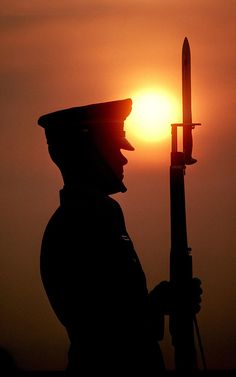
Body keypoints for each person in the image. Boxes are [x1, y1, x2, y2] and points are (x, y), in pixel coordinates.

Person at [38, 98, 202, 375]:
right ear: (90, 152)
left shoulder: (85, 216)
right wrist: (158, 305)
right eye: (114, 147)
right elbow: (103, 328)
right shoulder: (89, 218)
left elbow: (114, 307)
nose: (123, 158)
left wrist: (158, 301)